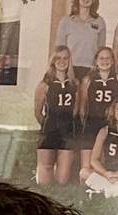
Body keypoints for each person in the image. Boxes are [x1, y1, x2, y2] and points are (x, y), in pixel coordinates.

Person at [34, 45, 78, 187]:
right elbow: (38, 111)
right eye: (58, 58)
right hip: (50, 129)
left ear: (69, 60)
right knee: (44, 182)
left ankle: (55, 166)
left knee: (62, 180)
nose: (62, 61)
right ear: (53, 60)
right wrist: (48, 126)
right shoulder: (44, 84)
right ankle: (43, 168)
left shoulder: (74, 83)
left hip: (67, 131)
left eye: (65, 58)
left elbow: (77, 109)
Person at [55, 0, 107, 79]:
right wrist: (68, 71)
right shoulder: (66, 21)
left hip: (91, 70)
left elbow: (101, 50)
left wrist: (95, 69)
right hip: (69, 70)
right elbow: (59, 50)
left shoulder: (100, 21)